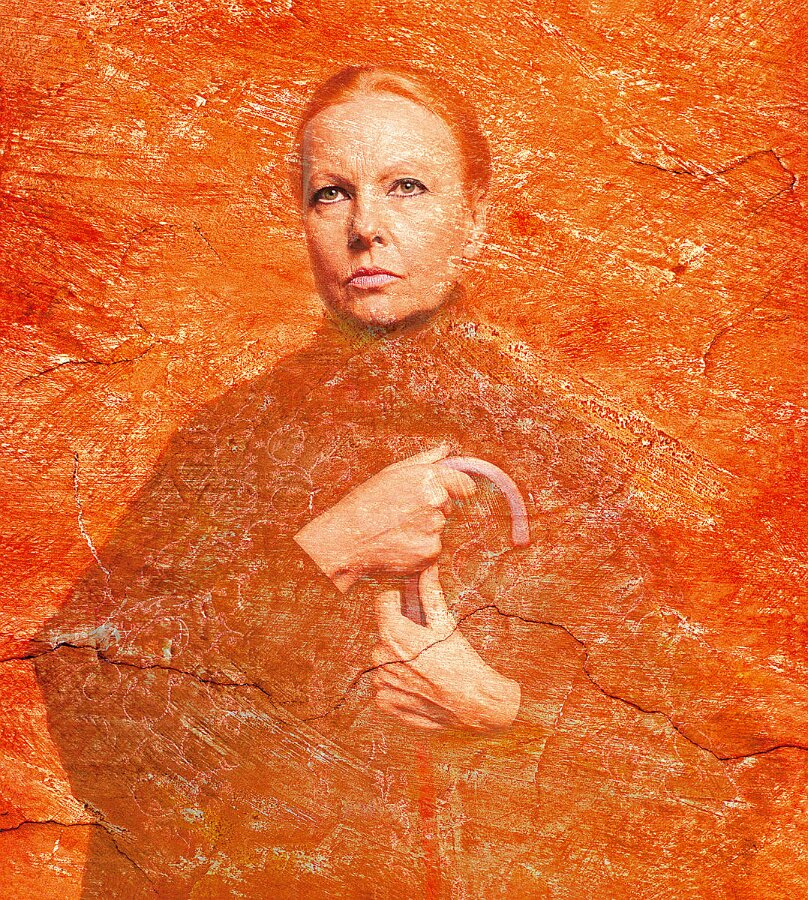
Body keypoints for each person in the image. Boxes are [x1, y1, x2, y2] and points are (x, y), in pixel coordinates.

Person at [33, 65, 804, 899]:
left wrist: (506, 712)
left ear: (473, 219)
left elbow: (720, 784)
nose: (366, 227)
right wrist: (326, 551)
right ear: (302, 221)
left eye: (407, 187)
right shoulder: (226, 445)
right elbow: (89, 696)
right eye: (332, 193)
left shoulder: (560, 455)